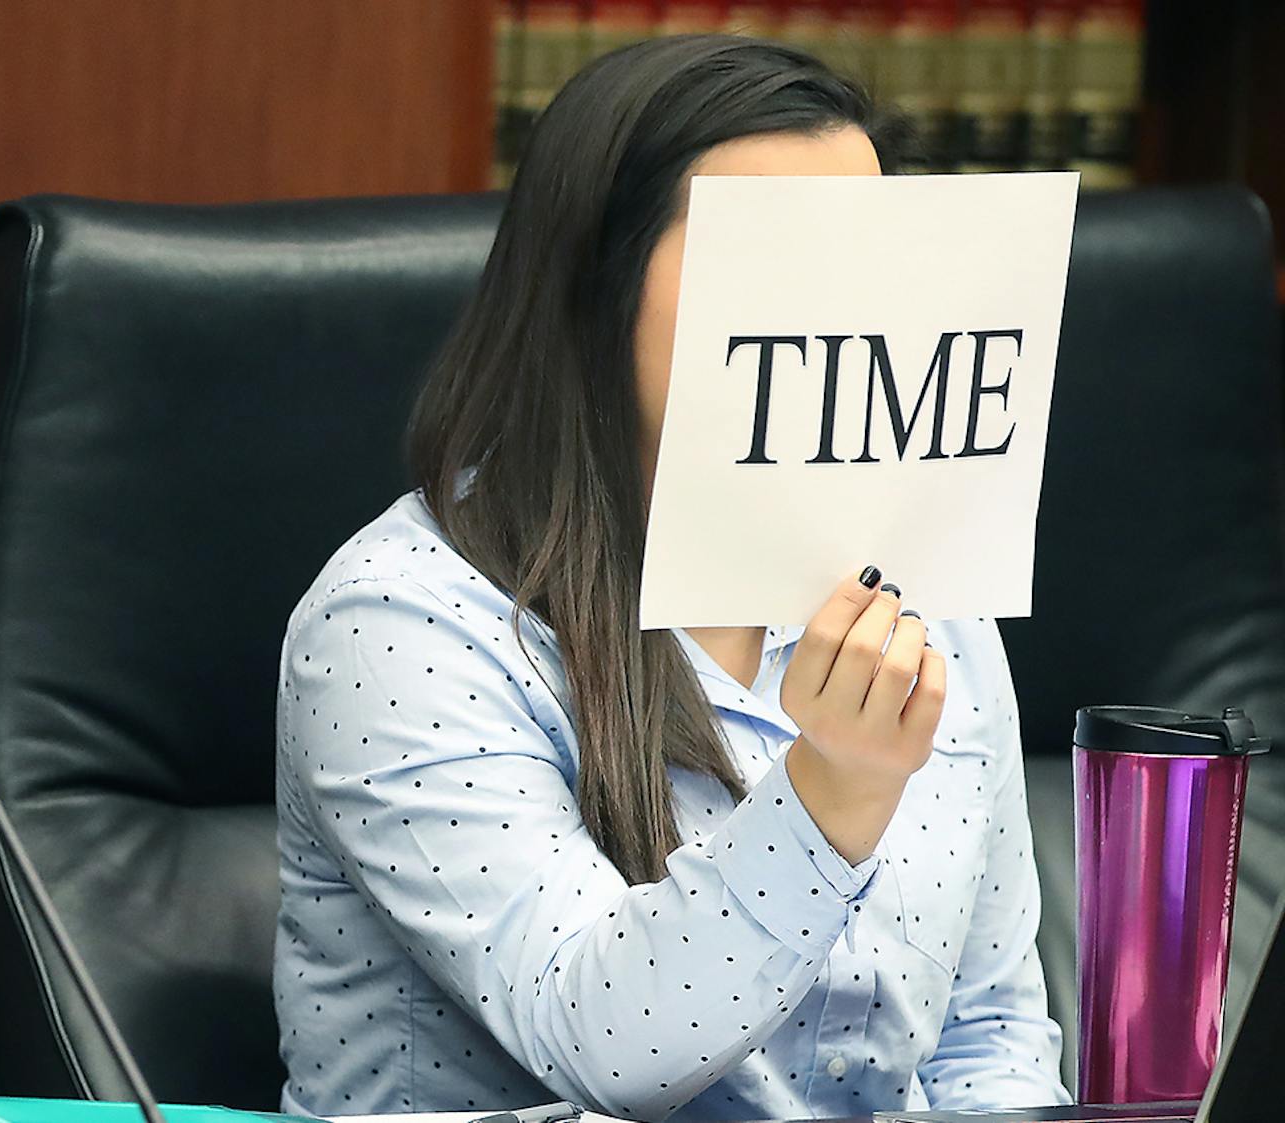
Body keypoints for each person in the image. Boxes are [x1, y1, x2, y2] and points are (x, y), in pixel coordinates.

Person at [273, 33, 1069, 1122]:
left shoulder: (931, 597)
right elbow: (598, 1039)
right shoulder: (397, 622)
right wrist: (830, 793)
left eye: (869, 257)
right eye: (776, 255)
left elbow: (988, 1039)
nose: (836, 307)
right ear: (597, 286)